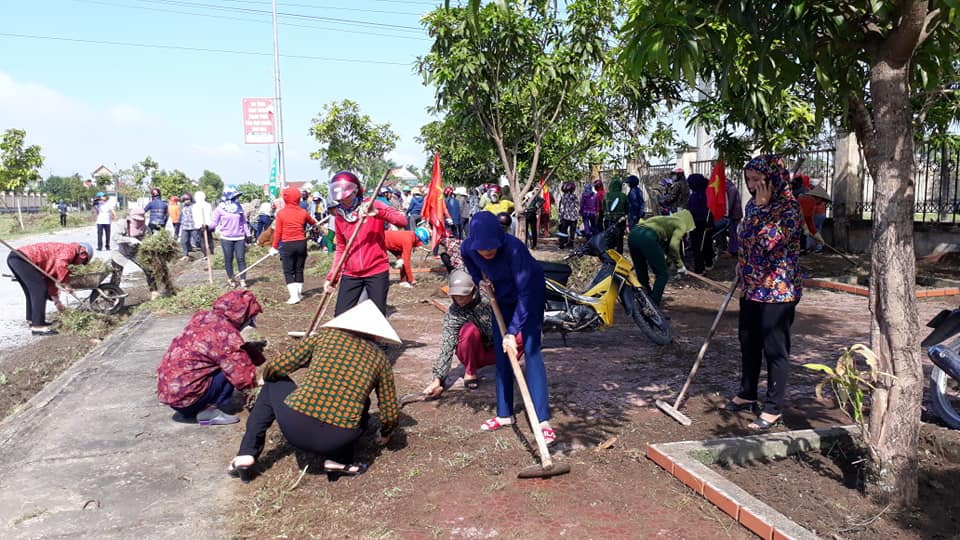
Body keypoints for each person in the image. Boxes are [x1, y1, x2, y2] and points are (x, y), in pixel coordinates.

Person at [228, 300, 401, 482]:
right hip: (338, 437)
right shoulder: (380, 360)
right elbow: (389, 411)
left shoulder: (325, 337)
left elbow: (278, 367)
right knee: (361, 401)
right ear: (376, 335)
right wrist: (386, 432)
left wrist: (266, 376)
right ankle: (338, 461)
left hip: (295, 426)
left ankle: (246, 454)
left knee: (274, 382)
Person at [461, 211, 556, 445]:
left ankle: (542, 421)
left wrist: (513, 332)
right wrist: (479, 280)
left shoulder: (514, 249)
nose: (487, 254)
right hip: (500, 297)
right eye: (482, 250)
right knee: (503, 353)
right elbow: (471, 265)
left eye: (491, 249)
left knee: (531, 351)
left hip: (529, 294)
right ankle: (505, 414)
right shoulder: (467, 248)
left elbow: (525, 293)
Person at [725, 155, 803, 431]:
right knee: (748, 341)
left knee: (774, 348)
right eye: (749, 180)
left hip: (778, 291)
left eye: (758, 180)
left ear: (773, 179)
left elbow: (768, 242)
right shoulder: (752, 204)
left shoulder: (789, 210)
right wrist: (741, 263)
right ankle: (747, 393)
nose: (753, 185)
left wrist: (760, 209)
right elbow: (745, 238)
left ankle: (773, 408)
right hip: (751, 287)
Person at [157, 290, 264, 426]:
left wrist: (254, 353)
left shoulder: (202, 318)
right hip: (188, 399)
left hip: (171, 393)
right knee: (235, 366)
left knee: (233, 358)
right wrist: (255, 399)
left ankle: (198, 407)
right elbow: (242, 375)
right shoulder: (225, 333)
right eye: (250, 318)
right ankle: (208, 411)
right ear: (242, 315)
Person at [324, 171, 407, 316]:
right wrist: (332, 277)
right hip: (351, 273)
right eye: (341, 199)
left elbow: (402, 221)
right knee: (340, 315)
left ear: (356, 190)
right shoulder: (340, 216)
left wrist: (379, 213)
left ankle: (373, 339)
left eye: (348, 196)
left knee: (375, 317)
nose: (345, 201)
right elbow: (341, 249)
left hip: (376, 270)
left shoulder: (373, 204)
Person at [423, 269, 496, 395]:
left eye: (463, 294)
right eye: (456, 295)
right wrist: (438, 379)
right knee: (469, 330)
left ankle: (509, 364)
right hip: (474, 355)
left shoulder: (488, 302)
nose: (459, 299)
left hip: (497, 350)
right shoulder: (453, 314)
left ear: (473, 291)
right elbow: (447, 346)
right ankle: (470, 371)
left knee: (520, 336)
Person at [7, 241, 93, 335]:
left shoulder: (62, 255)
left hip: (16, 258)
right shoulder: (70, 249)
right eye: (83, 262)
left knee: (32, 290)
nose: (80, 265)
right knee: (39, 289)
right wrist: (67, 285)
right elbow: (61, 265)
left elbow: (51, 282)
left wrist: (57, 302)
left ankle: (33, 320)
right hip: (21, 258)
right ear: (83, 255)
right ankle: (38, 327)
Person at [627, 209, 695, 306]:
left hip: (633, 234)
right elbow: (673, 246)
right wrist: (680, 265)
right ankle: (654, 307)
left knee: (642, 273)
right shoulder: (681, 224)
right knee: (662, 275)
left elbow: (667, 248)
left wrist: (671, 262)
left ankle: (645, 302)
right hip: (647, 237)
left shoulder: (667, 220)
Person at [270, 186, 317, 304]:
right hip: (301, 243)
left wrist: (274, 247)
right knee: (299, 269)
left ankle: (294, 296)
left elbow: (278, 232)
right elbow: (313, 222)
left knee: (288, 271)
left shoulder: (281, 213)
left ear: (285, 198)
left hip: (287, 245)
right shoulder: (303, 212)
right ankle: (299, 294)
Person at [115, 207, 161, 299]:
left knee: (149, 269)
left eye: (140, 220)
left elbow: (149, 240)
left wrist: (149, 244)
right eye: (136, 220)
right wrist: (129, 239)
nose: (138, 222)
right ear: (131, 218)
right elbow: (115, 237)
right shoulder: (123, 224)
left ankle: (154, 292)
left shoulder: (145, 228)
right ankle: (112, 294)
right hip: (121, 251)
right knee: (116, 273)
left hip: (136, 251)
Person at [212, 187, 249, 287]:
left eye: (237, 197)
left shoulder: (239, 207)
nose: (236, 199)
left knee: (241, 258)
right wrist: (206, 227)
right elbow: (214, 223)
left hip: (239, 237)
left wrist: (248, 234)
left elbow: (243, 222)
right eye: (234, 197)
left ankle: (242, 279)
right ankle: (231, 279)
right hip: (226, 238)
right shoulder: (220, 209)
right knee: (228, 258)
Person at [685, 173, 716, 273]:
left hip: (698, 224)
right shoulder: (707, 193)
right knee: (707, 244)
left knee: (697, 247)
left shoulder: (696, 195)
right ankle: (708, 263)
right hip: (707, 223)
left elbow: (693, 211)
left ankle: (699, 268)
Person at [798, 184, 830, 253]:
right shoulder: (809, 200)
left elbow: (809, 220)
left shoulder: (811, 202)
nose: (822, 202)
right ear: (818, 198)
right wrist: (804, 225)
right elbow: (802, 215)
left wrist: (816, 235)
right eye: (822, 200)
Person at [603, 178, 628, 253]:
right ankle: (619, 254)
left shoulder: (606, 196)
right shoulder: (624, 196)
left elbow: (603, 208)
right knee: (620, 238)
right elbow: (627, 209)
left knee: (609, 237)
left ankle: (609, 254)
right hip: (621, 220)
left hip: (608, 220)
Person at [556, 181, 579, 249]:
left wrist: (560, 218)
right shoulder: (575, 196)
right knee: (572, 232)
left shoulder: (564, 197)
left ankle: (562, 245)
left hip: (565, 217)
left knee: (563, 231)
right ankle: (571, 245)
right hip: (574, 218)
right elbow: (577, 206)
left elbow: (562, 208)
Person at [193, 191, 215, 257]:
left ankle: (207, 254)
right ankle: (209, 253)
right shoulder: (208, 205)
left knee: (203, 240)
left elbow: (195, 217)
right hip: (206, 224)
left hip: (202, 225)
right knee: (209, 239)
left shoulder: (195, 206)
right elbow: (211, 215)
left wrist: (199, 224)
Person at [178, 193, 198, 260]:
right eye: (184, 200)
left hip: (193, 226)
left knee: (197, 240)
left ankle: (205, 254)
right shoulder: (183, 207)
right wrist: (179, 223)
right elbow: (181, 216)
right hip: (185, 227)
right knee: (183, 241)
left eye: (187, 199)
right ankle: (185, 255)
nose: (186, 201)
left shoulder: (194, 207)